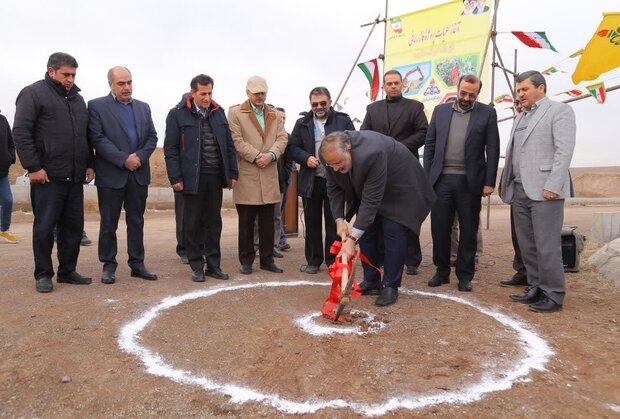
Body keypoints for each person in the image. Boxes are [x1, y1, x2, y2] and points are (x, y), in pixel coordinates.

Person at [321, 131, 435, 306]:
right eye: (331, 165)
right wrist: (339, 219)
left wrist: (352, 239)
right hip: (373, 187)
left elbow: (371, 200)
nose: (335, 168)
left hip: (400, 188)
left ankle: (391, 285)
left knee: (393, 231)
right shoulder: (329, 158)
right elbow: (333, 188)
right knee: (368, 233)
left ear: (349, 150)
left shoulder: (372, 153)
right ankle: (372, 280)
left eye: (338, 163)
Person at [13, 52, 94, 293]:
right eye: (65, 74)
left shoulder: (78, 100)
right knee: (45, 227)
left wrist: (90, 164)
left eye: (73, 75)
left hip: (75, 176)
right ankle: (43, 274)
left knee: (73, 228)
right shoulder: (33, 94)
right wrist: (33, 166)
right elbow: (21, 132)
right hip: (47, 176)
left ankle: (67, 271)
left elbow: (85, 136)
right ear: (51, 71)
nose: (70, 79)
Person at [499, 70, 576, 313]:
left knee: (547, 245)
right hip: (520, 190)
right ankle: (535, 287)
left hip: (545, 192)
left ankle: (553, 294)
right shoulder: (520, 117)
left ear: (540, 88)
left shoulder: (559, 111)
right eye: (518, 90)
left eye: (524, 89)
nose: (520, 94)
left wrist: (553, 184)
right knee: (527, 245)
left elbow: (564, 151)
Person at [424, 74, 500, 292]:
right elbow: (430, 146)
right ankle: (441, 272)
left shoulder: (487, 113)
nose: (467, 98)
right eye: (463, 93)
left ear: (478, 94)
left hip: (470, 182)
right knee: (440, 228)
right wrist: (427, 177)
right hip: (441, 181)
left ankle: (465, 275)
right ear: (457, 89)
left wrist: (489, 181)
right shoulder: (440, 111)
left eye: (472, 95)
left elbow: (492, 149)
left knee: (468, 229)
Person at [88, 66, 159, 284]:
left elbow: (152, 137)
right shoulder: (97, 106)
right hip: (111, 175)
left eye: (129, 82)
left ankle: (137, 264)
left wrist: (138, 157)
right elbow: (97, 138)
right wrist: (123, 159)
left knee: (136, 221)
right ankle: (109, 266)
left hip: (138, 173)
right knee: (109, 223)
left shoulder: (143, 108)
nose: (126, 87)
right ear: (110, 84)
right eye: (121, 83)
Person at [164, 74, 238, 282]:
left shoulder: (218, 113)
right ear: (193, 93)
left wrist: (232, 173)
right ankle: (197, 265)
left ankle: (214, 265)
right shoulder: (177, 114)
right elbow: (170, 149)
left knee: (214, 222)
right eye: (203, 94)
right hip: (190, 178)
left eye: (210, 93)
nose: (207, 98)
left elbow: (229, 146)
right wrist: (175, 177)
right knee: (192, 222)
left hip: (215, 177)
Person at [360, 69, 428, 275]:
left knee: (405, 215)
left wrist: (396, 147)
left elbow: (423, 133)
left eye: (396, 83)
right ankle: (380, 258)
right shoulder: (372, 109)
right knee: (380, 216)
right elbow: (364, 134)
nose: (393, 86)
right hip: (379, 170)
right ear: (384, 87)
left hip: (406, 169)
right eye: (389, 84)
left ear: (403, 84)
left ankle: (412, 260)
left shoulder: (415, 107)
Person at [288, 87, 354, 274]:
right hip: (311, 180)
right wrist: (305, 157)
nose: (319, 107)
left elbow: (352, 143)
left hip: (337, 180)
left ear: (330, 101)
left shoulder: (343, 120)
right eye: (314, 104)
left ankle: (333, 259)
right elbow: (292, 147)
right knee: (312, 222)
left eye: (322, 103)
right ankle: (313, 260)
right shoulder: (302, 123)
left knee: (335, 222)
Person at [228, 76, 288, 275]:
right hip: (248, 174)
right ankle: (246, 260)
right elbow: (236, 140)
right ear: (247, 93)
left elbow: (282, 138)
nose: (260, 96)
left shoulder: (275, 115)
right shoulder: (235, 113)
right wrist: (256, 156)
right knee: (246, 221)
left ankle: (267, 259)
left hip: (269, 173)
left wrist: (271, 155)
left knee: (268, 222)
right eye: (256, 93)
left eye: (262, 92)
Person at [274, 107, 294, 252]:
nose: (282, 120)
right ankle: (278, 241)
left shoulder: (287, 137)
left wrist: (285, 175)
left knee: (278, 213)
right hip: (271, 181)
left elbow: (289, 160)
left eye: (284, 118)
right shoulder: (269, 136)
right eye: (279, 117)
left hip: (283, 181)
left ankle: (279, 241)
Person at [0, 110, 18, 244]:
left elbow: (10, 142)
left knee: (7, 200)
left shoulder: (2, 119)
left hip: (2, 171)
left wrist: (10, 158)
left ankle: (4, 230)